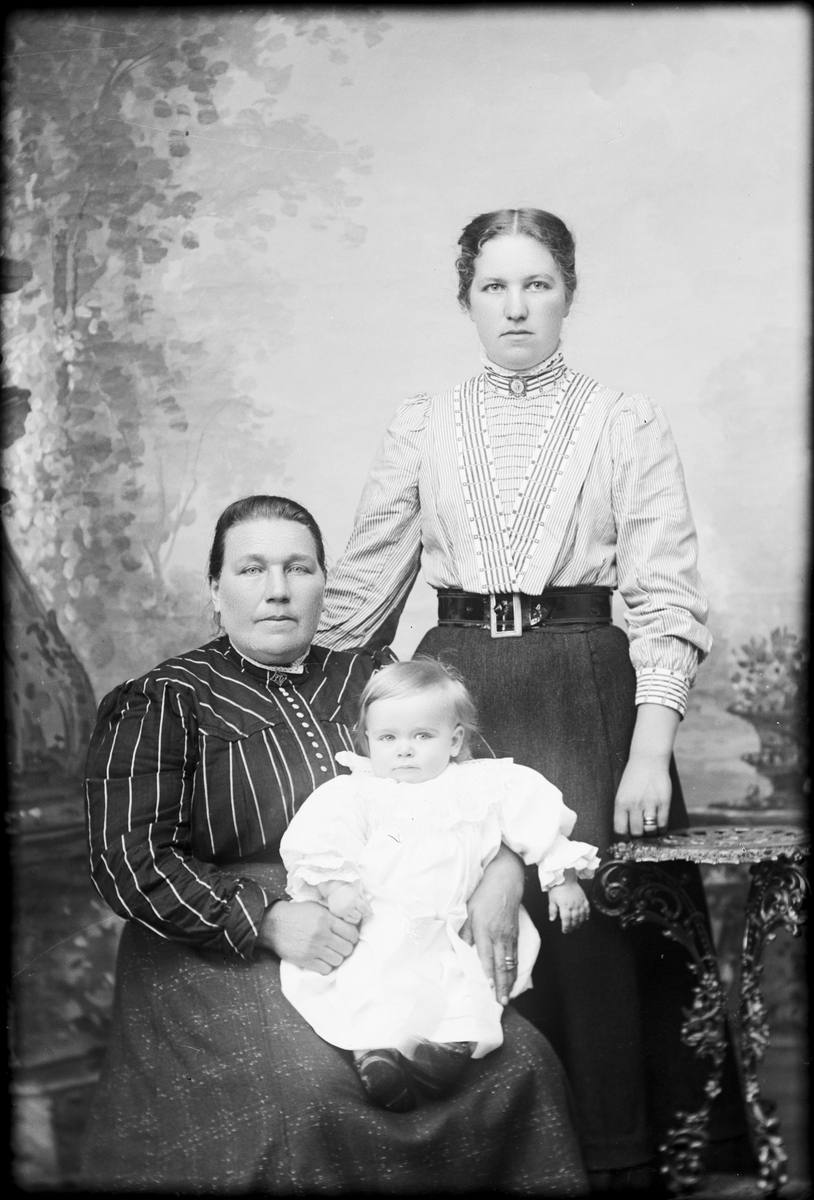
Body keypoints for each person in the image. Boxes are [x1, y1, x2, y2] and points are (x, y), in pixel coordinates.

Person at [316, 210, 752, 1188]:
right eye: (494, 287)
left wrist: (649, 749)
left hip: (589, 694)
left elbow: (664, 597)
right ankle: (492, 1154)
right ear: (467, 300)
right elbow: (359, 598)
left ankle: (618, 1158)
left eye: (537, 284)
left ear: (568, 294)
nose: (516, 307)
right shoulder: (423, 423)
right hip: (458, 692)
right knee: (452, 910)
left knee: (592, 933)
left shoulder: (624, 421)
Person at [79, 493, 589, 1195]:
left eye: (299, 568)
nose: (278, 589)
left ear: (324, 583)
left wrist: (502, 873)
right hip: (223, 934)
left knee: (521, 1063)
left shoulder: (369, 675)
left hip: (396, 918)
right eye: (252, 569)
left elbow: (476, 784)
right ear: (216, 590)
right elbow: (127, 861)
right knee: (312, 1096)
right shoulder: (165, 699)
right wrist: (265, 919)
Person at [279, 658, 598, 1113]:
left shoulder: (483, 784)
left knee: (468, 980)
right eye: (388, 738)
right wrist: (338, 890)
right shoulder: (356, 792)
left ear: (455, 740)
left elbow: (538, 823)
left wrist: (563, 879)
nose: (404, 751)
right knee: (369, 977)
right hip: (384, 919)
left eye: (422, 736)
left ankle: (447, 1051)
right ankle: (374, 1056)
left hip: (456, 924)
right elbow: (321, 843)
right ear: (366, 740)